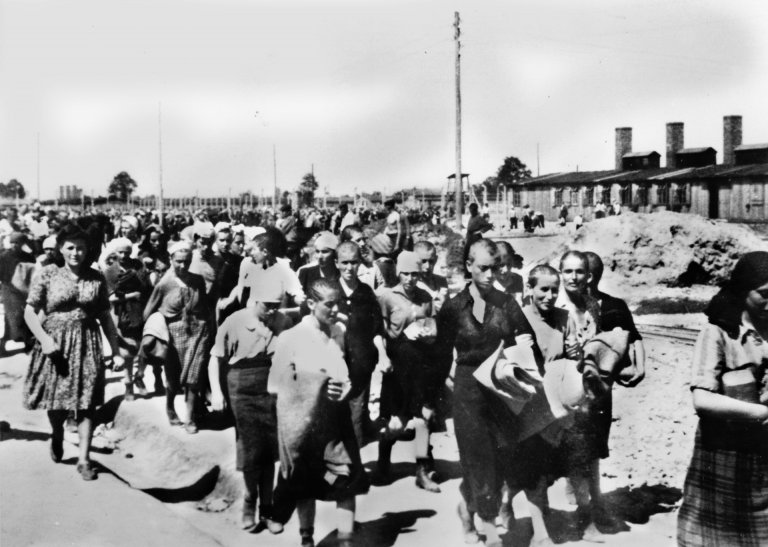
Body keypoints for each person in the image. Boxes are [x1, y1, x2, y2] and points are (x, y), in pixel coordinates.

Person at [435, 239, 539, 546]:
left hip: (501, 389)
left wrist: (525, 348)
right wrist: (435, 398)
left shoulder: (507, 303)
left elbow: (525, 338)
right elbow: (440, 357)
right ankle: (490, 528)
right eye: (483, 268)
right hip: (467, 391)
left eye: (496, 268)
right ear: (468, 266)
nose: (491, 274)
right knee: (477, 459)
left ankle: (468, 509)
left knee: (502, 457)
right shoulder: (453, 307)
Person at [269, 279, 369, 547]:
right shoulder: (291, 337)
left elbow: (344, 372)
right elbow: (274, 384)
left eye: (338, 302)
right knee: (305, 482)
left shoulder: (339, 331)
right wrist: (314, 386)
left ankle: (346, 541)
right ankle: (307, 538)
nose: (336, 309)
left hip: (336, 420)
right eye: (330, 304)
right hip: (305, 423)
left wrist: (345, 387)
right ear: (311, 304)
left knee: (347, 477)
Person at [677, 252, 768, 546]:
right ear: (744, 291)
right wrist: (761, 413)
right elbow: (702, 400)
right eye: (764, 295)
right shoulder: (717, 334)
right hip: (724, 455)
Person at [22, 224, 123, 480]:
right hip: (54, 343)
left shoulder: (95, 277)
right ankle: (57, 434)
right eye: (70, 247)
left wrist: (116, 351)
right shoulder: (47, 274)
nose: (75, 253)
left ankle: (84, 459)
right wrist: (44, 340)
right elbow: (29, 312)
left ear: (88, 249)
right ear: (61, 249)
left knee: (87, 402)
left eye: (80, 247)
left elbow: (105, 317)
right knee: (57, 402)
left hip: (88, 343)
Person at [208, 279, 291, 534]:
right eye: (268, 306)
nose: (274, 310)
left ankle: (267, 507)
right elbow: (216, 359)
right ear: (255, 302)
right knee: (250, 447)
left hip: (271, 385)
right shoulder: (234, 322)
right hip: (241, 386)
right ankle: (248, 501)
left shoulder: (281, 322)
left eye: (278, 305)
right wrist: (217, 393)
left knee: (269, 449)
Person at [377, 251, 442, 493]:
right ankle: (384, 460)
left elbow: (434, 325)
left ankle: (422, 471)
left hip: (421, 365)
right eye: (405, 273)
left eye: (415, 274)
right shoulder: (385, 297)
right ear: (398, 273)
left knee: (424, 418)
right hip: (398, 367)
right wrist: (384, 355)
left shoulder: (426, 296)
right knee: (396, 424)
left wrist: (429, 332)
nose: (410, 279)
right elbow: (379, 332)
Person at [143, 241, 213, 433]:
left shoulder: (197, 280)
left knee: (194, 377)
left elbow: (205, 305)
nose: (183, 265)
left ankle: (189, 418)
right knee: (173, 380)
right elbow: (147, 312)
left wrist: (209, 325)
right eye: (179, 261)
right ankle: (170, 406)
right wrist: (157, 330)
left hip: (198, 332)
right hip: (174, 335)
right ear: (171, 259)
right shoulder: (164, 284)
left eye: (187, 261)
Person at [334, 241, 390, 446]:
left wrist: (383, 355)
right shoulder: (330, 291)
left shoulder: (366, 293)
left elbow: (376, 330)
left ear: (360, 264)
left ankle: (355, 465)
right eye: (344, 263)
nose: (349, 268)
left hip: (360, 364)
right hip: (334, 365)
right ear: (337, 263)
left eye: (354, 262)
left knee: (356, 413)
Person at [0, 232, 35, 354]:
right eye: (12, 243)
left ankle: (27, 343)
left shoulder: (28, 256)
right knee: (14, 318)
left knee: (24, 316)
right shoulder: (4, 256)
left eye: (17, 243)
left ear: (22, 243)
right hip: (9, 289)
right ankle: (5, 344)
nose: (15, 245)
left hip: (25, 290)